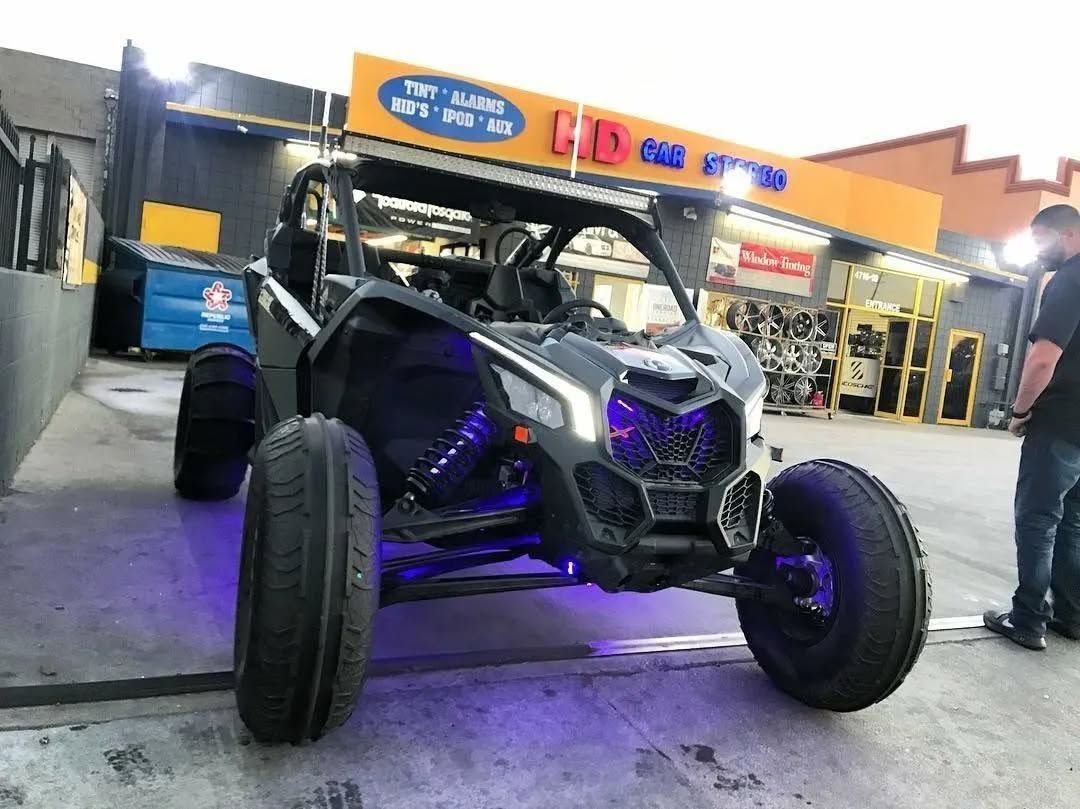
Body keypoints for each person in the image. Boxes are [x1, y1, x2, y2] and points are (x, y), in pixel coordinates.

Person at [985, 204, 1080, 650]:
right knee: (1073, 523)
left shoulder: (1071, 278)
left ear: (1067, 235)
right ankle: (1071, 616)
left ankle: (1027, 619)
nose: (1037, 250)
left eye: (1041, 239)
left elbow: (1044, 357)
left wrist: (1021, 411)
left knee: (1038, 520)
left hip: (1060, 423)